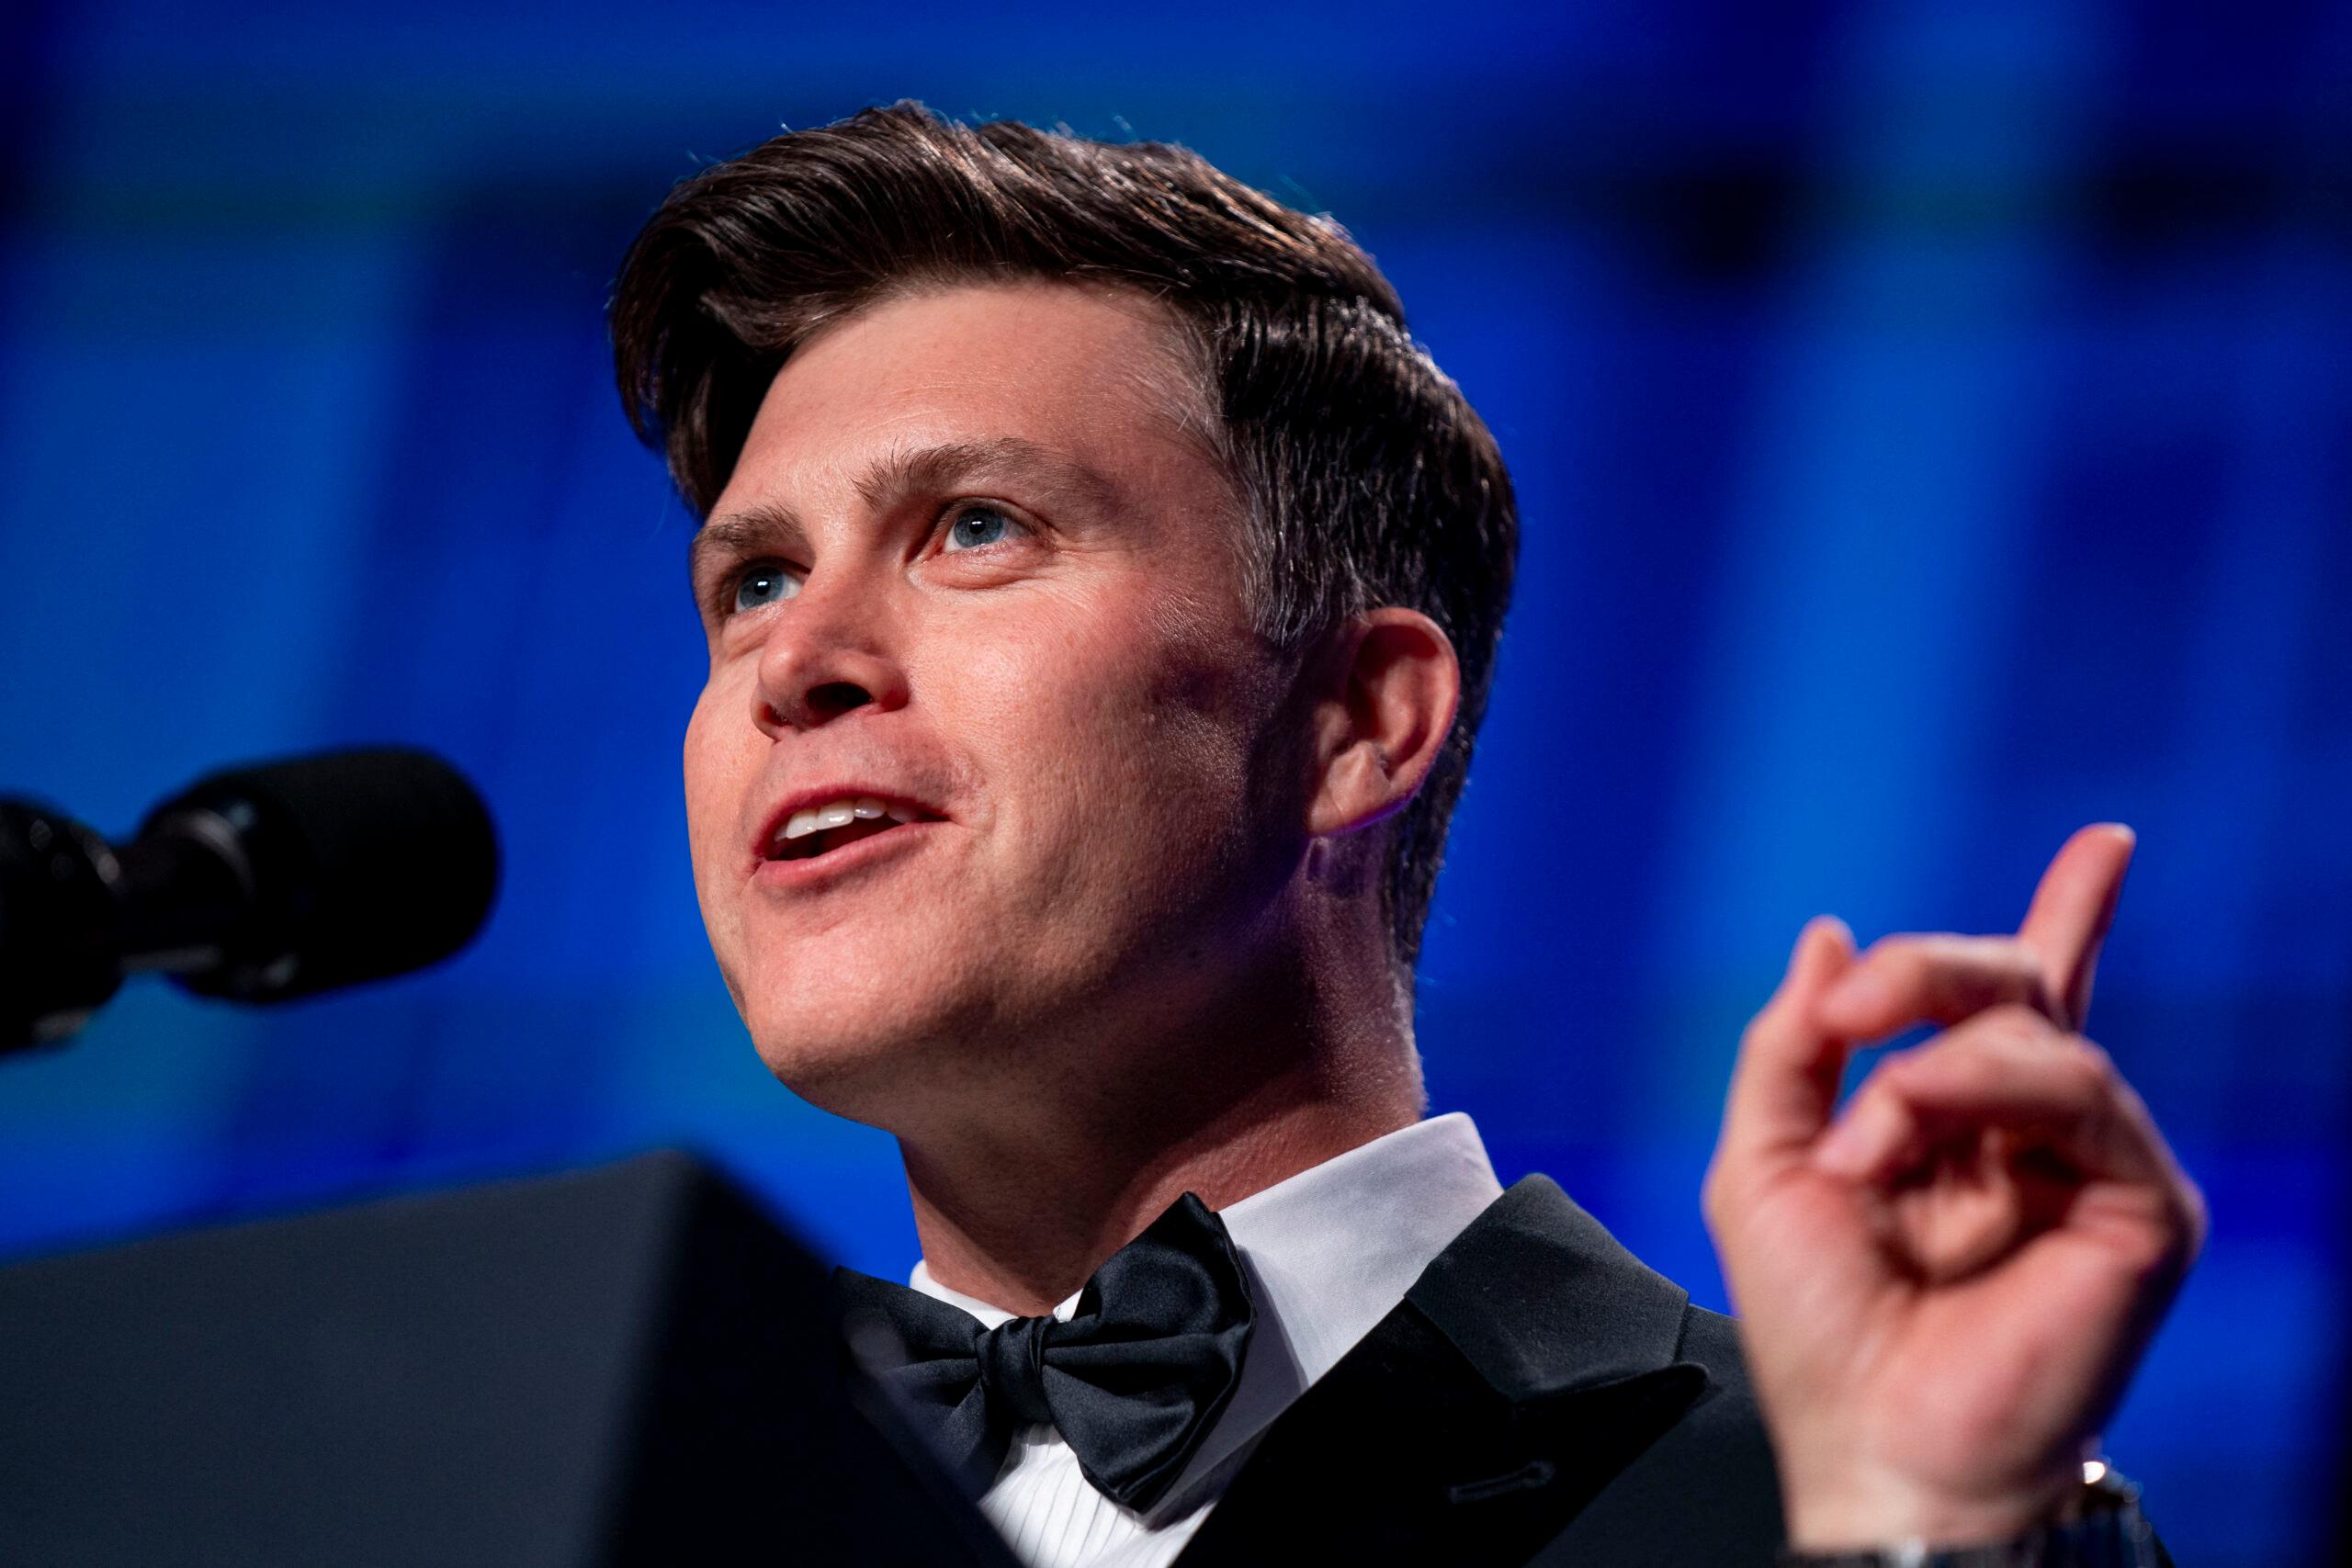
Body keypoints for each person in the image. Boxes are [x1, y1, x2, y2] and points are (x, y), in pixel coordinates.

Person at [608, 103, 2204, 1567]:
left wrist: (1932, 1526)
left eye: (974, 528)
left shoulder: (1807, 1497)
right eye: (752, 582)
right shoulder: (633, 1514)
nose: (796, 662)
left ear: (1360, 722)